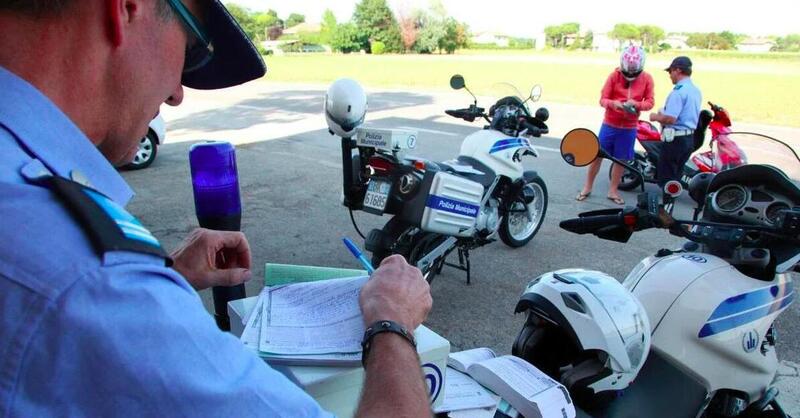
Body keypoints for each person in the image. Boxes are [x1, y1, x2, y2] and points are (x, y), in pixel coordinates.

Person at [0, 1, 433, 417]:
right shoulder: (91, 276)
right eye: (190, 48)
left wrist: (166, 273)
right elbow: (72, 287)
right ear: (126, 7)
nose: (176, 94)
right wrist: (391, 320)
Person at [577, 44, 654, 205]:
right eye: (626, 73)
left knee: (621, 160)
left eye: (634, 73)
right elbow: (602, 100)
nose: (630, 76)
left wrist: (637, 104)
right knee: (597, 156)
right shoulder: (613, 76)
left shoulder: (647, 79)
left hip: (629, 127)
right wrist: (614, 104)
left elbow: (650, 102)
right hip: (610, 124)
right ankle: (587, 187)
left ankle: (613, 190)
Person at [649, 56, 702, 187]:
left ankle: (667, 205)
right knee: (676, 175)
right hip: (688, 138)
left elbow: (670, 118)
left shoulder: (678, 92)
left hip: (675, 140)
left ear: (677, 70)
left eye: (670, 71)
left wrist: (655, 117)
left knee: (667, 179)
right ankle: (670, 201)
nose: (670, 75)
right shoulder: (695, 90)